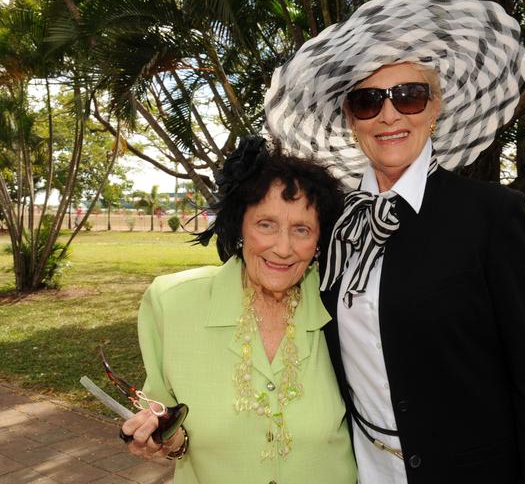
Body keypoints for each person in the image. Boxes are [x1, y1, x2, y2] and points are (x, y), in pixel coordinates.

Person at [264, 0, 525, 483]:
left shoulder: (490, 215)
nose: (388, 115)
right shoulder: (333, 224)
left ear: (435, 107)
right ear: (350, 118)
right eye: (367, 100)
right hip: (360, 466)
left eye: (408, 96)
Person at [120, 137, 356, 483]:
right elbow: (167, 425)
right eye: (266, 225)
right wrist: (165, 438)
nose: (283, 248)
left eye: (301, 230)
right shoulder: (171, 303)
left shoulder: (344, 303)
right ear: (240, 224)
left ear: (319, 240)